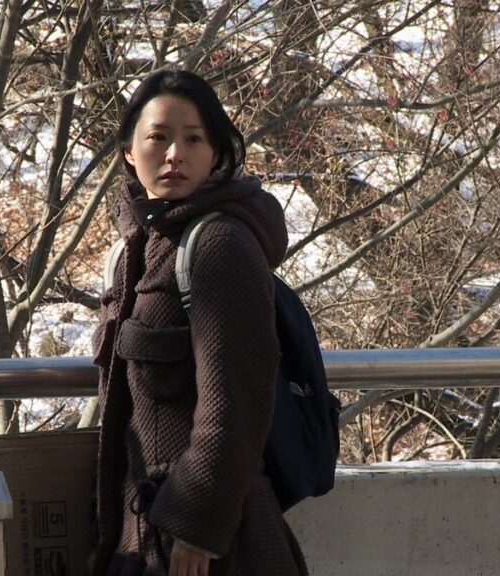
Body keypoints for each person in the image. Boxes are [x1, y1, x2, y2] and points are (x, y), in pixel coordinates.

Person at [91, 69, 308, 576]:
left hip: (208, 544)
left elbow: (237, 398)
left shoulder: (218, 245)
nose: (174, 154)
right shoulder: (141, 248)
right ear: (128, 151)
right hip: (144, 531)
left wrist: (198, 525)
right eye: (158, 138)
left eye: (193, 139)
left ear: (216, 153)